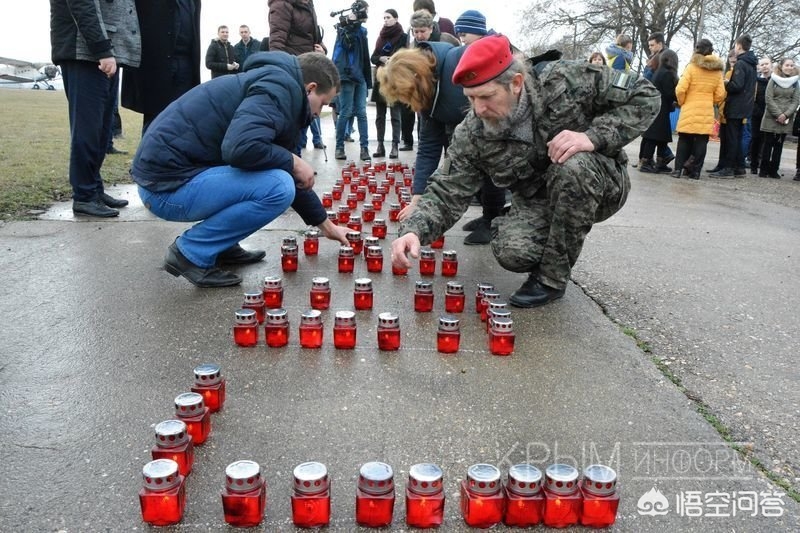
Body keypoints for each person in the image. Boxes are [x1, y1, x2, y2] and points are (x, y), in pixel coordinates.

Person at [389, 35, 659, 307]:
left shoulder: (566, 81)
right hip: (538, 199)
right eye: (471, 98)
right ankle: (549, 239)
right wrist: (414, 232)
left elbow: (645, 95)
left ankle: (552, 279)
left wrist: (593, 136)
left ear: (516, 83)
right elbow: (447, 191)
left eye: (487, 96)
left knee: (571, 166)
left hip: (600, 183)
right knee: (512, 252)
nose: (479, 109)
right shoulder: (473, 131)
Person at [131, 52, 348, 287]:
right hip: (165, 187)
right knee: (278, 187)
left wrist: (326, 225)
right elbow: (240, 148)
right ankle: (189, 253)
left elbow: (288, 172)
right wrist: (293, 161)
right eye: (323, 103)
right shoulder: (278, 89)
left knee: (280, 178)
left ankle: (221, 245)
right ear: (310, 88)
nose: (318, 113)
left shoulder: (283, 92)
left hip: (175, 177)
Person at [50, 0, 141, 218]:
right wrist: (101, 48)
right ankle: (84, 196)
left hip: (104, 52)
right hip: (86, 53)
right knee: (88, 129)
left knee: (102, 130)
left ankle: (94, 189)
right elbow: (82, 5)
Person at [122, 0, 202, 134]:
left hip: (185, 63)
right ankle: (149, 154)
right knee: (154, 117)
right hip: (157, 64)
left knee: (182, 115)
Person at [268, 0, 327, 152]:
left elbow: (313, 37)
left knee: (301, 124)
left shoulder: (308, 4)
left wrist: (322, 50)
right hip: (291, 71)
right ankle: (292, 167)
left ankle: (297, 164)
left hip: (307, 71)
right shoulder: (282, 4)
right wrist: (279, 73)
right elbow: (276, 42)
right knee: (292, 128)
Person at [671, 39, 725, 180]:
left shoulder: (691, 67)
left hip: (689, 107)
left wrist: (683, 102)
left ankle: (677, 170)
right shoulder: (717, 71)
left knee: (684, 139)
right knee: (701, 141)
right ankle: (695, 172)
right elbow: (720, 94)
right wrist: (710, 101)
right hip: (706, 109)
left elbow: (681, 88)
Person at [708, 35, 757, 178]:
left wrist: (725, 82)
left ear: (739, 46)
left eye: (736, 45)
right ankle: (739, 168)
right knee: (737, 136)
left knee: (732, 138)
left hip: (736, 107)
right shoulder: (751, 64)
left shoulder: (741, 64)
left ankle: (728, 168)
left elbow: (737, 86)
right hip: (744, 107)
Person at [332, 4, 372, 161]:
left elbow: (364, 56)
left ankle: (364, 148)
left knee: (361, 112)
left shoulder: (362, 31)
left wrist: (368, 79)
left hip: (360, 75)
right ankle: (339, 147)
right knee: (346, 111)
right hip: (347, 76)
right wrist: (349, 25)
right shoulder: (343, 29)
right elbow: (348, 45)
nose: (365, 15)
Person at [370, 9, 407, 159]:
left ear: (396, 19)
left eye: (388, 17)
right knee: (380, 115)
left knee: (395, 114)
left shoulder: (403, 36)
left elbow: (404, 55)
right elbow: (373, 57)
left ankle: (395, 146)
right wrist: (381, 59)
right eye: (384, 17)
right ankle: (380, 145)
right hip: (381, 78)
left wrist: (392, 59)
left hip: (395, 79)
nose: (385, 20)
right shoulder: (381, 36)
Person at [638, 50, 679, 174]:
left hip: (657, 107)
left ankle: (657, 161)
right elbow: (669, 92)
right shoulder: (667, 73)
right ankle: (647, 162)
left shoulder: (659, 71)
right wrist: (677, 98)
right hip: (661, 108)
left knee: (660, 136)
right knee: (654, 136)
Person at [758, 58, 799, 179]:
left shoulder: (795, 82)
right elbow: (768, 98)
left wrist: (785, 114)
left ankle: (774, 170)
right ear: (781, 66)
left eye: (792, 65)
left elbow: (795, 100)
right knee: (767, 143)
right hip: (771, 116)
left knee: (779, 145)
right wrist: (778, 114)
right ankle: (763, 169)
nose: (790, 67)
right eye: (787, 65)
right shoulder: (773, 80)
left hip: (786, 117)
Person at [749, 56, 772, 174]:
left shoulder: (775, 81)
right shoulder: (756, 81)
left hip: (770, 114)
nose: (765, 66)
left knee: (767, 141)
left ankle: (765, 164)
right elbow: (752, 98)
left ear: (771, 65)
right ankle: (753, 164)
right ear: (759, 67)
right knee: (756, 139)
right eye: (762, 64)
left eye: (767, 64)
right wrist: (757, 111)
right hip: (757, 114)